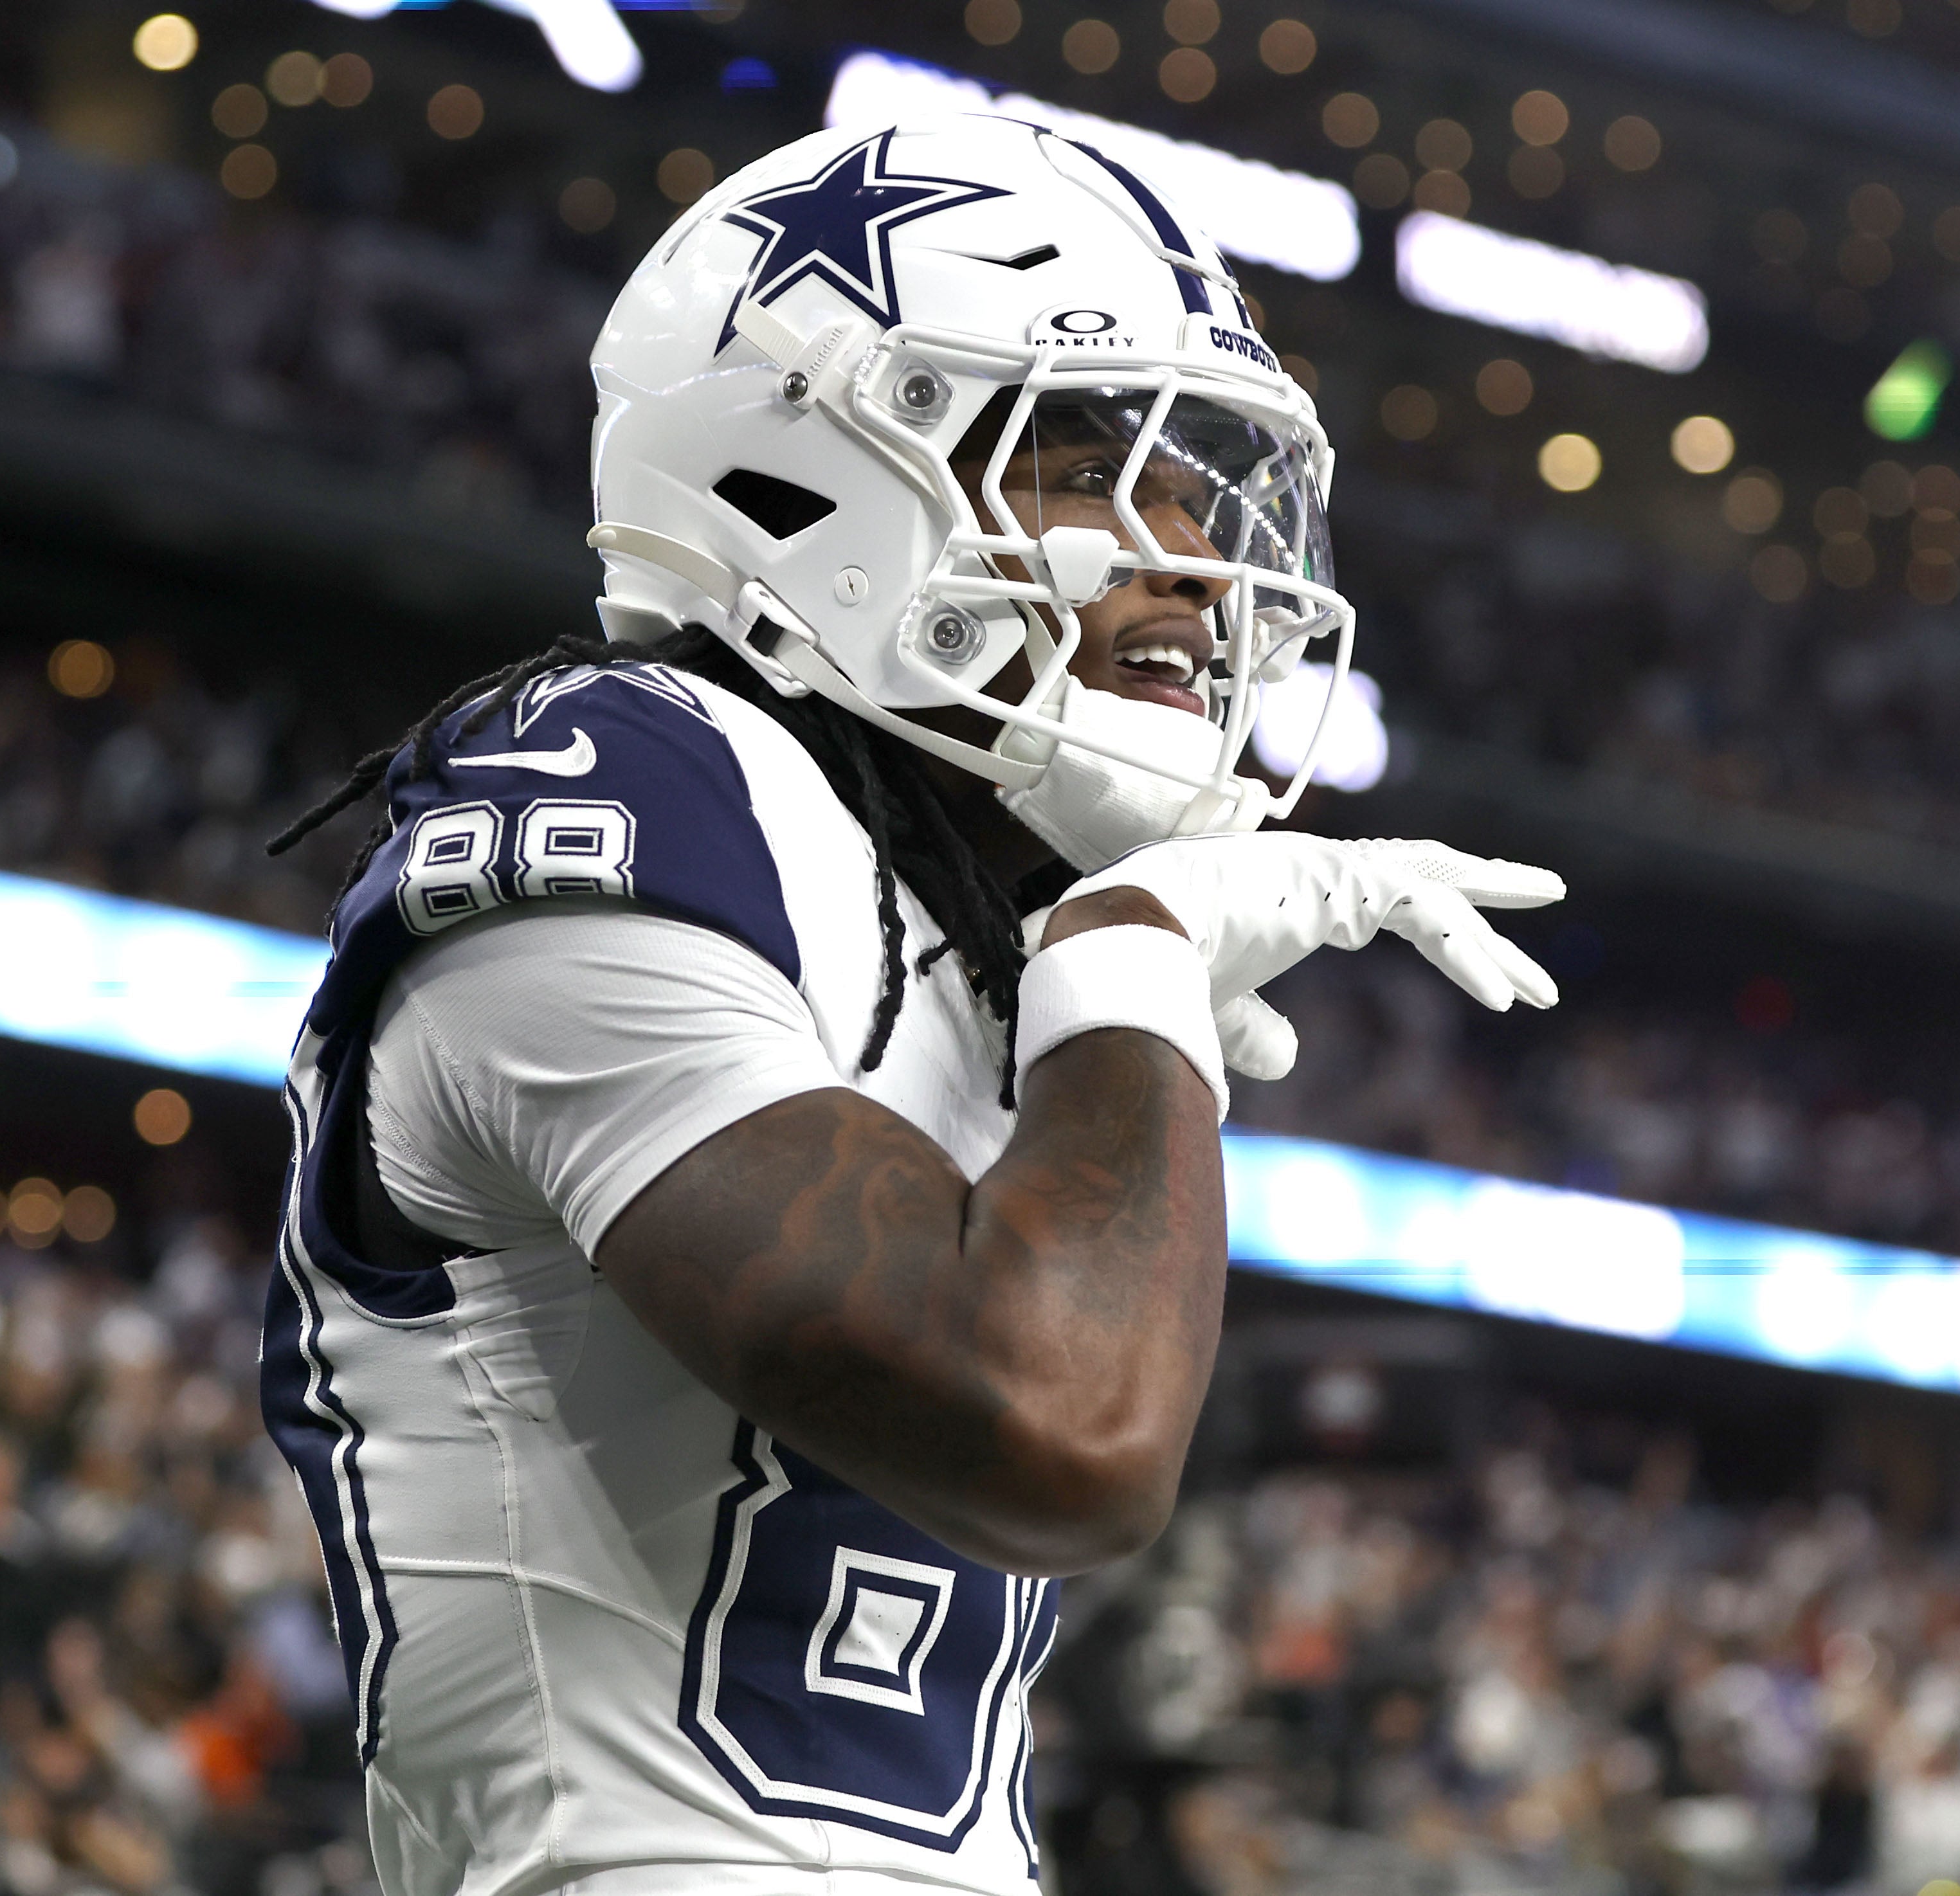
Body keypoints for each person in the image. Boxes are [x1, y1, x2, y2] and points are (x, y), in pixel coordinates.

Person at [255, 114, 1563, 1896]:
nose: (1182, 556)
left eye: (1199, 489)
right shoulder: (628, 784)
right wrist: (1129, 960)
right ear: (800, 470)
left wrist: (1098, 977)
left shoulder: (948, 908)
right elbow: (1056, 1436)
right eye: (1089, 463)